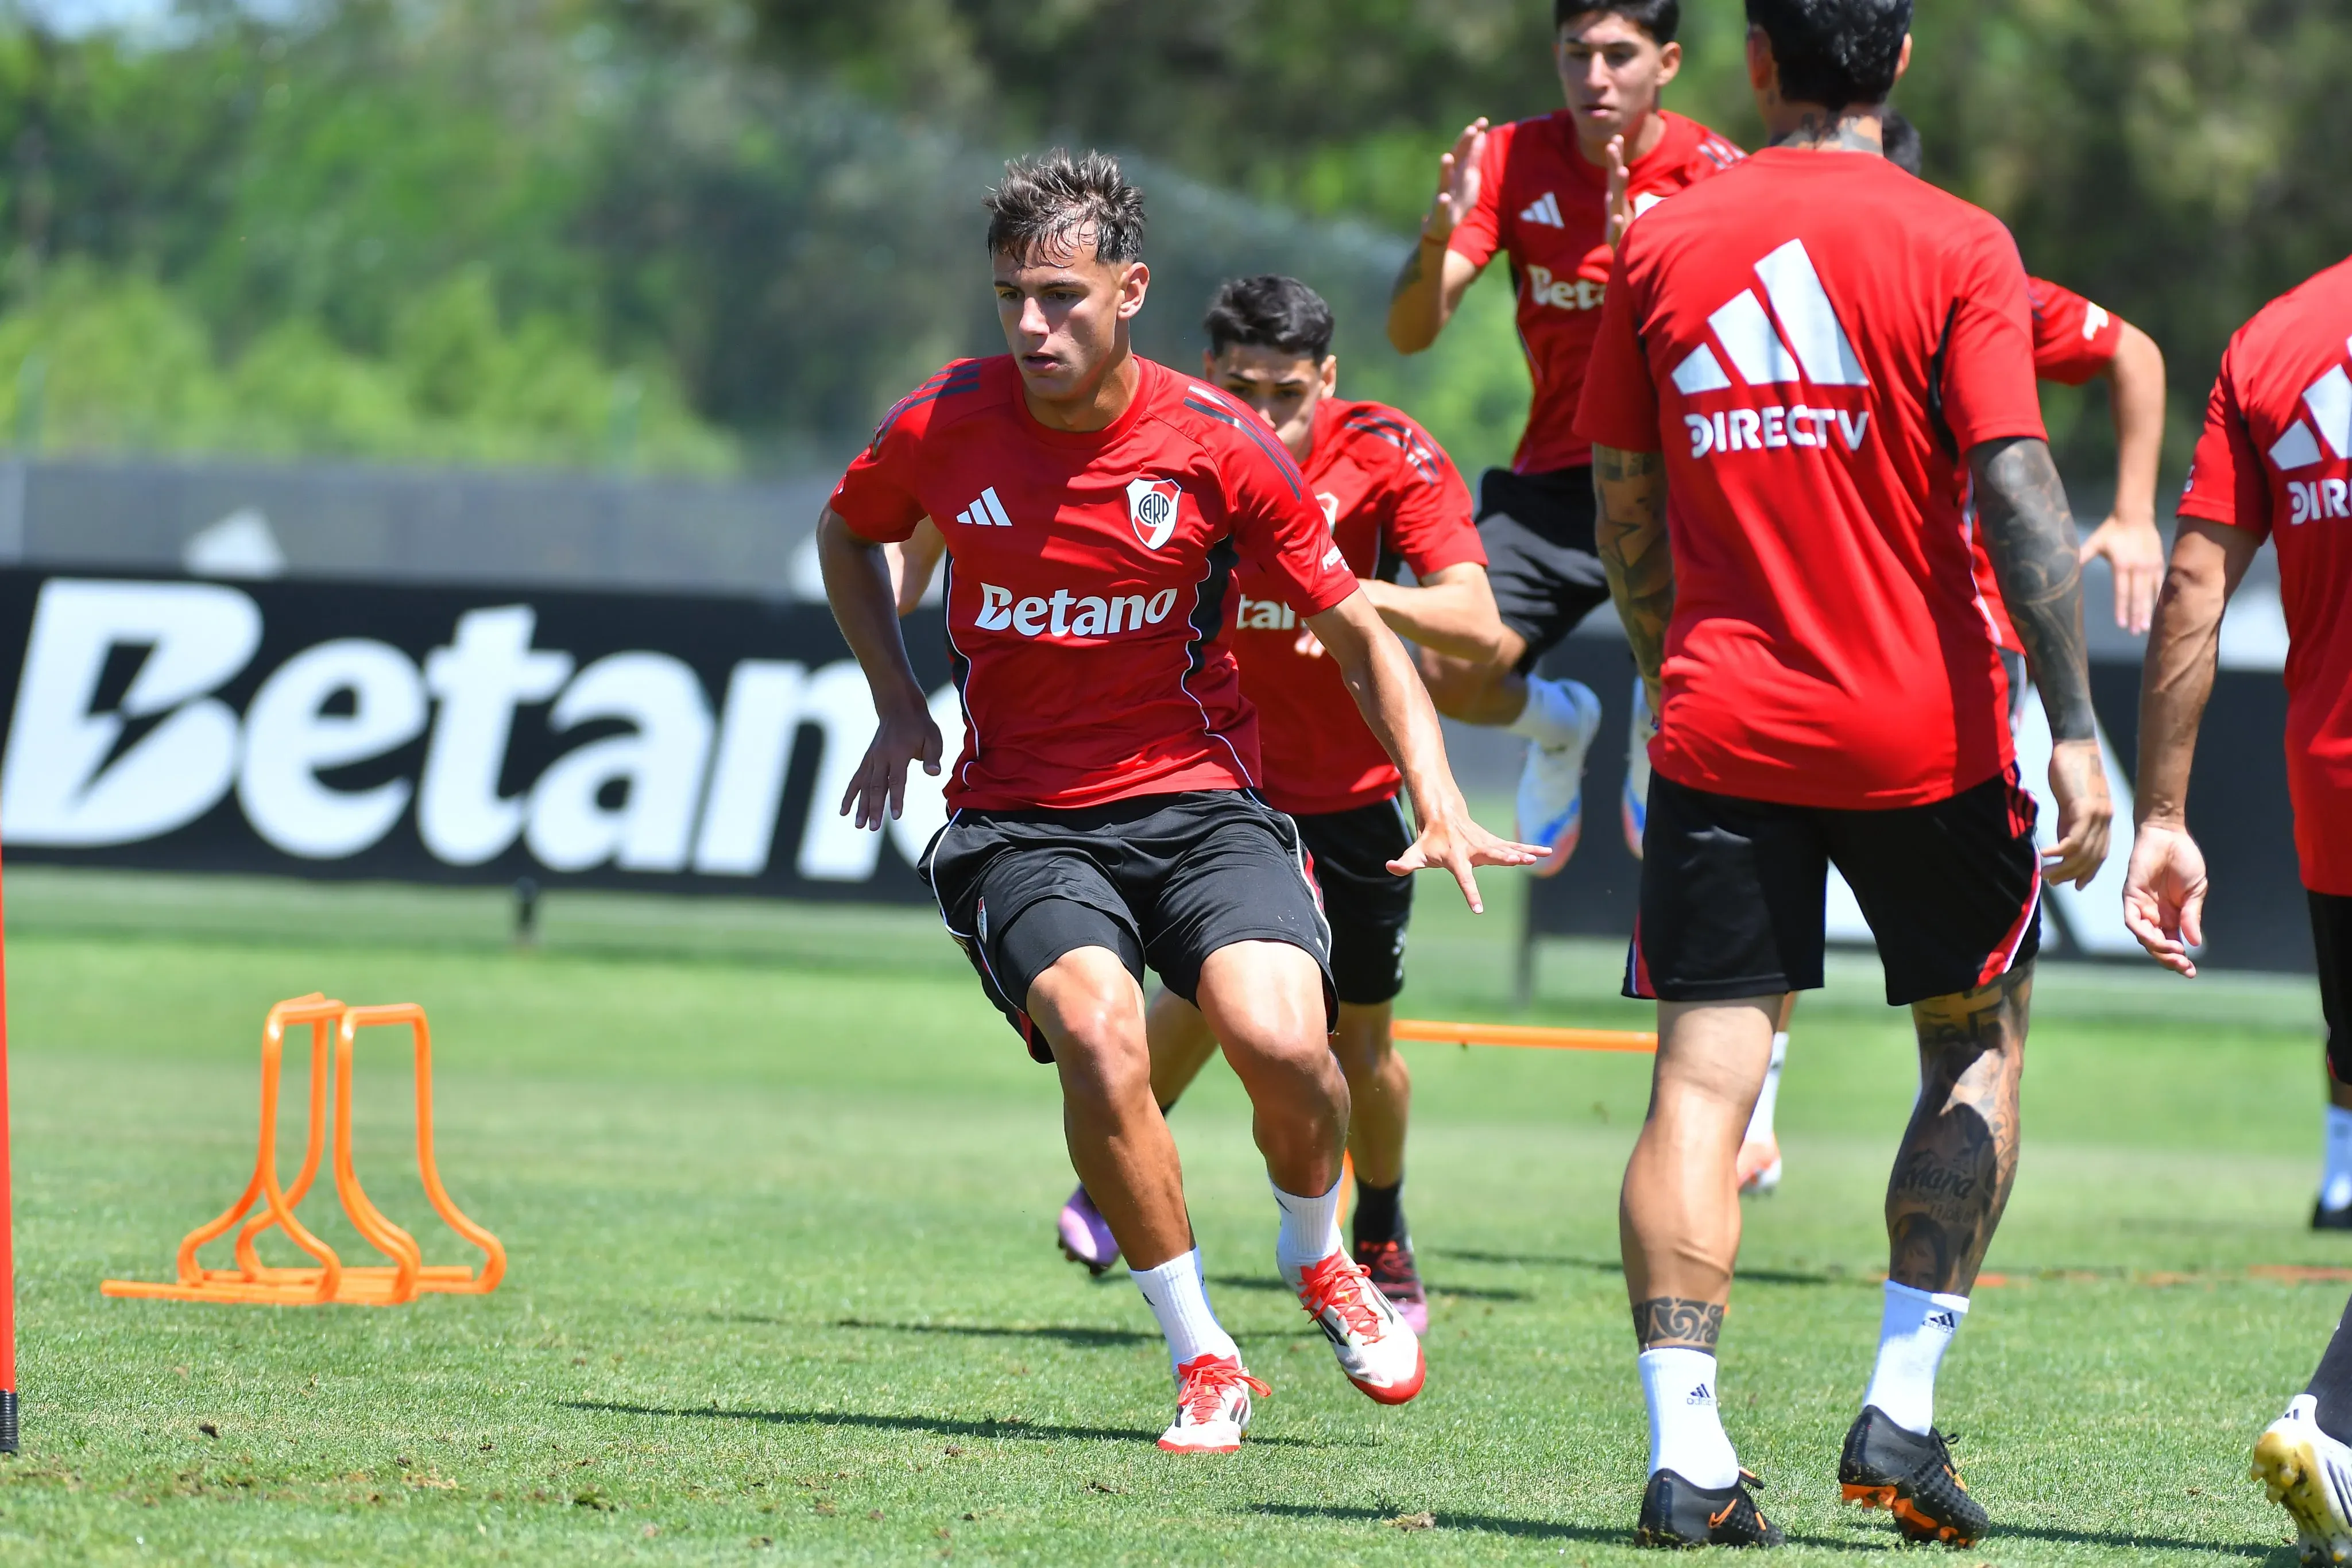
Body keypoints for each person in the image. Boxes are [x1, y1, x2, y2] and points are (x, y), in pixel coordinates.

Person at [819, 151, 1538, 1455]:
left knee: (1288, 1053)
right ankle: (1202, 1354)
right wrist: (896, 695)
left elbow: (1364, 631)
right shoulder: (942, 420)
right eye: (1010, 299)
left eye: (1060, 296)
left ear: (1129, 290)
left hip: (1203, 803)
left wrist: (1434, 793)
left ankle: (1318, 1256)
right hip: (1021, 820)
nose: (1032, 325)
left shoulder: (1217, 443)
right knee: (1100, 1042)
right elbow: (847, 531)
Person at [1575, 0, 2111, 1546]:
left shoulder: (1664, 242)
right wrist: (2074, 720)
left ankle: (1687, 1453)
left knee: (1699, 1081)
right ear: (1904, 60)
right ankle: (1903, 1413)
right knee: (1975, 1048)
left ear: (1754, 60)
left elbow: (1625, 501)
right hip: (1924, 731)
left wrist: (1681, 655)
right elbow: (2016, 483)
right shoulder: (1958, 240)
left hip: (1723, 726)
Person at [1726, 111, 2171, 1202]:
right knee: (1784, 907)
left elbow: (2132, 351)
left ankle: (1833, 1125)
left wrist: (2132, 510)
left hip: (1956, 653)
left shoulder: (1972, 280)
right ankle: (1762, 1118)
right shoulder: (1757, 285)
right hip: (1805, 645)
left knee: (1961, 977)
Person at [1045, 276, 1502, 1334]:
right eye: (1241, 385)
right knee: (1212, 996)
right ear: (1210, 373)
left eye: (1288, 391)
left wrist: (1341, 589)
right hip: (1214, 789)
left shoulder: (1387, 451)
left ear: (1328, 379)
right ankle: (1122, 1165)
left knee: (1357, 1043)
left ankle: (1380, 1218)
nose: (1267, 411)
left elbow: (1475, 621)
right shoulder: (1172, 440)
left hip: (1349, 799)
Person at [1386, 0, 1743, 874]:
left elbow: (1737, 352)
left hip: (1680, 482)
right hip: (1553, 483)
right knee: (1446, 671)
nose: (1595, 77)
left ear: (1668, 63)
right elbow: (1411, 332)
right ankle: (1563, 725)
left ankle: (1655, 714)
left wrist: (1643, 273)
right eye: (1576, 54)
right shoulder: (1509, 158)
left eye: (1619, 55)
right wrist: (1438, 233)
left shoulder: (1714, 173)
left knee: (1712, 690)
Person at [2121, 250, 2352, 1561]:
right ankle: (2332, 1415)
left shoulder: (2275, 339)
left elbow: (2192, 586)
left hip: (2329, 803)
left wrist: (2162, 814)